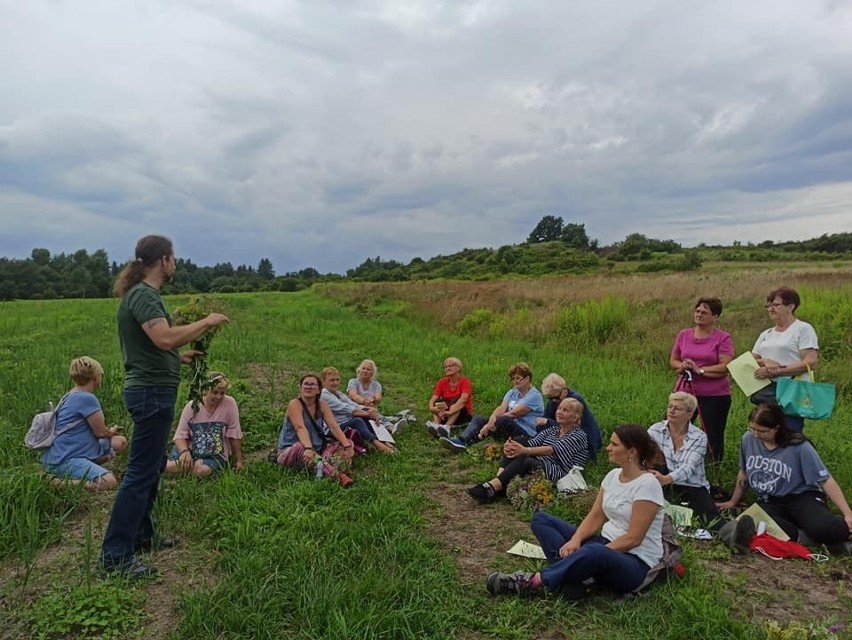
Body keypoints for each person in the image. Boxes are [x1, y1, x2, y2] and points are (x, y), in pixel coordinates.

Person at [100, 235, 229, 579]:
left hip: (154, 390)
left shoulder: (144, 295)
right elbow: (163, 337)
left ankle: (143, 536)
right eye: (173, 258)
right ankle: (114, 557)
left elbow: (158, 345)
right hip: (150, 393)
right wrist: (206, 322)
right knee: (141, 474)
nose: (176, 264)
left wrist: (177, 357)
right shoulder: (144, 295)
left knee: (153, 466)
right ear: (163, 260)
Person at [485, 424, 665, 599]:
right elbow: (595, 516)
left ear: (632, 452)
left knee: (594, 551)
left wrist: (591, 552)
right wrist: (576, 540)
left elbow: (634, 538)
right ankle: (577, 578)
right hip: (603, 544)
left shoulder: (647, 484)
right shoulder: (612, 476)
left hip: (634, 561)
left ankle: (535, 582)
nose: (608, 448)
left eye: (615, 444)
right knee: (541, 520)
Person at [716, 403, 852, 553]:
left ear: (777, 428)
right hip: (770, 500)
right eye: (752, 428)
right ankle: (813, 540)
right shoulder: (748, 439)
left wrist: (847, 512)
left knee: (822, 528)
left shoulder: (800, 447)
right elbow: (744, 473)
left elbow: (825, 479)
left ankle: (829, 535)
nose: (755, 434)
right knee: (755, 523)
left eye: (761, 431)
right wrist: (733, 501)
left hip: (801, 497)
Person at [466, 398, 589, 504]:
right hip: (544, 463)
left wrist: (525, 450)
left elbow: (551, 450)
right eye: (559, 408)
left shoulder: (578, 435)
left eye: (565, 410)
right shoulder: (554, 430)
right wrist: (511, 445)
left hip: (561, 472)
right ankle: (499, 480)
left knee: (525, 459)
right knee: (519, 441)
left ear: (575, 417)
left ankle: (492, 487)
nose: (559, 412)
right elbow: (531, 441)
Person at [40, 357, 127, 491]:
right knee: (108, 481)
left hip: (62, 452)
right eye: (100, 374)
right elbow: (100, 433)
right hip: (65, 458)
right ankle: (56, 482)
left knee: (119, 442)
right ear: (94, 377)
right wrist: (112, 431)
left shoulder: (70, 395)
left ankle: (85, 469)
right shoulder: (87, 398)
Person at [670, 297, 734, 461]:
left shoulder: (723, 337)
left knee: (713, 433)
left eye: (704, 312)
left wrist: (700, 370)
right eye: (697, 311)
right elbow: (673, 361)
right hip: (685, 393)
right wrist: (682, 366)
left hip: (715, 395)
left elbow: (726, 366)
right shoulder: (683, 334)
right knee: (675, 428)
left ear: (715, 316)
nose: (699, 314)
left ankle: (713, 466)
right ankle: (674, 461)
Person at [647, 392, 721, 529]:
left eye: (677, 408)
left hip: (691, 484)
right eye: (670, 406)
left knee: (710, 521)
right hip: (662, 482)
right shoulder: (655, 430)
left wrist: (666, 478)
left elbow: (689, 467)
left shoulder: (699, 437)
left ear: (690, 414)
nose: (672, 411)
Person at [751, 287, 819, 432]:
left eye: (775, 305)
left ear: (791, 306)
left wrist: (777, 370)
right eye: (768, 306)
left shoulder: (803, 329)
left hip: (792, 391)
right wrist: (765, 362)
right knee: (765, 432)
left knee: (789, 433)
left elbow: (811, 362)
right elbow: (749, 361)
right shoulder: (766, 334)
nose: (771, 309)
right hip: (766, 392)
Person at [440, 363, 544, 452]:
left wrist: (492, 423)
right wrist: (490, 421)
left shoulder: (534, 396)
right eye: (513, 379)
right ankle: (462, 441)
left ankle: (477, 440)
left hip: (525, 432)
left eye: (518, 378)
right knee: (479, 419)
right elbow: (501, 408)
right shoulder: (513, 392)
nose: (515, 381)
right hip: (506, 424)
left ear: (527, 378)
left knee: (504, 419)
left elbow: (514, 413)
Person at [275, 374, 357, 486]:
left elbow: (334, 427)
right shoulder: (295, 404)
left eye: (312, 384)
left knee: (348, 443)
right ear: (300, 387)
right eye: (306, 384)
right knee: (300, 447)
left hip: (316, 450)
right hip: (292, 450)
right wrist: (308, 448)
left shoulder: (322, 405)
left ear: (319, 390)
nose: (308, 387)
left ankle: (322, 464)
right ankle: (337, 475)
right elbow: (300, 427)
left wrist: (347, 446)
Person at [164, 372, 244, 477]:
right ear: (205, 390)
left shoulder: (229, 404)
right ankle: (160, 467)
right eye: (215, 392)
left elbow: (234, 433)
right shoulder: (192, 407)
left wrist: (238, 460)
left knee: (201, 470)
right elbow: (180, 435)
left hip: (214, 454)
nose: (219, 397)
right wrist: (184, 451)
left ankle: (180, 470)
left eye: (222, 393)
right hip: (190, 448)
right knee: (182, 464)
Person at [320, 367, 396, 455]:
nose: (336, 383)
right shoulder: (324, 395)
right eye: (332, 380)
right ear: (323, 382)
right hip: (332, 429)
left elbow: (353, 404)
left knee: (364, 419)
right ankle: (378, 445)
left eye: (337, 379)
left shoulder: (338, 394)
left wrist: (369, 410)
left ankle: (384, 440)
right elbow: (346, 409)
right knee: (357, 421)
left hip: (346, 422)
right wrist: (368, 413)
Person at [536, 372, 602, 460]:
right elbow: (545, 420)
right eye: (550, 398)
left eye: (555, 397)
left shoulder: (575, 401)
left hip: (584, 441)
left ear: (564, 391)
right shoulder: (553, 402)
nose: (553, 401)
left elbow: (571, 428)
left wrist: (548, 422)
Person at [426, 357, 473, 439]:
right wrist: (431, 408)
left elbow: (463, 400)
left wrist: (451, 412)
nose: (447, 368)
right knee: (437, 401)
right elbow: (434, 397)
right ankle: (437, 426)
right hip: (446, 413)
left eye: (450, 366)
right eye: (445, 367)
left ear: (458, 367)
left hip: (462, 414)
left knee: (456, 400)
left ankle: (447, 428)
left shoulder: (465, 381)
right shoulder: (442, 382)